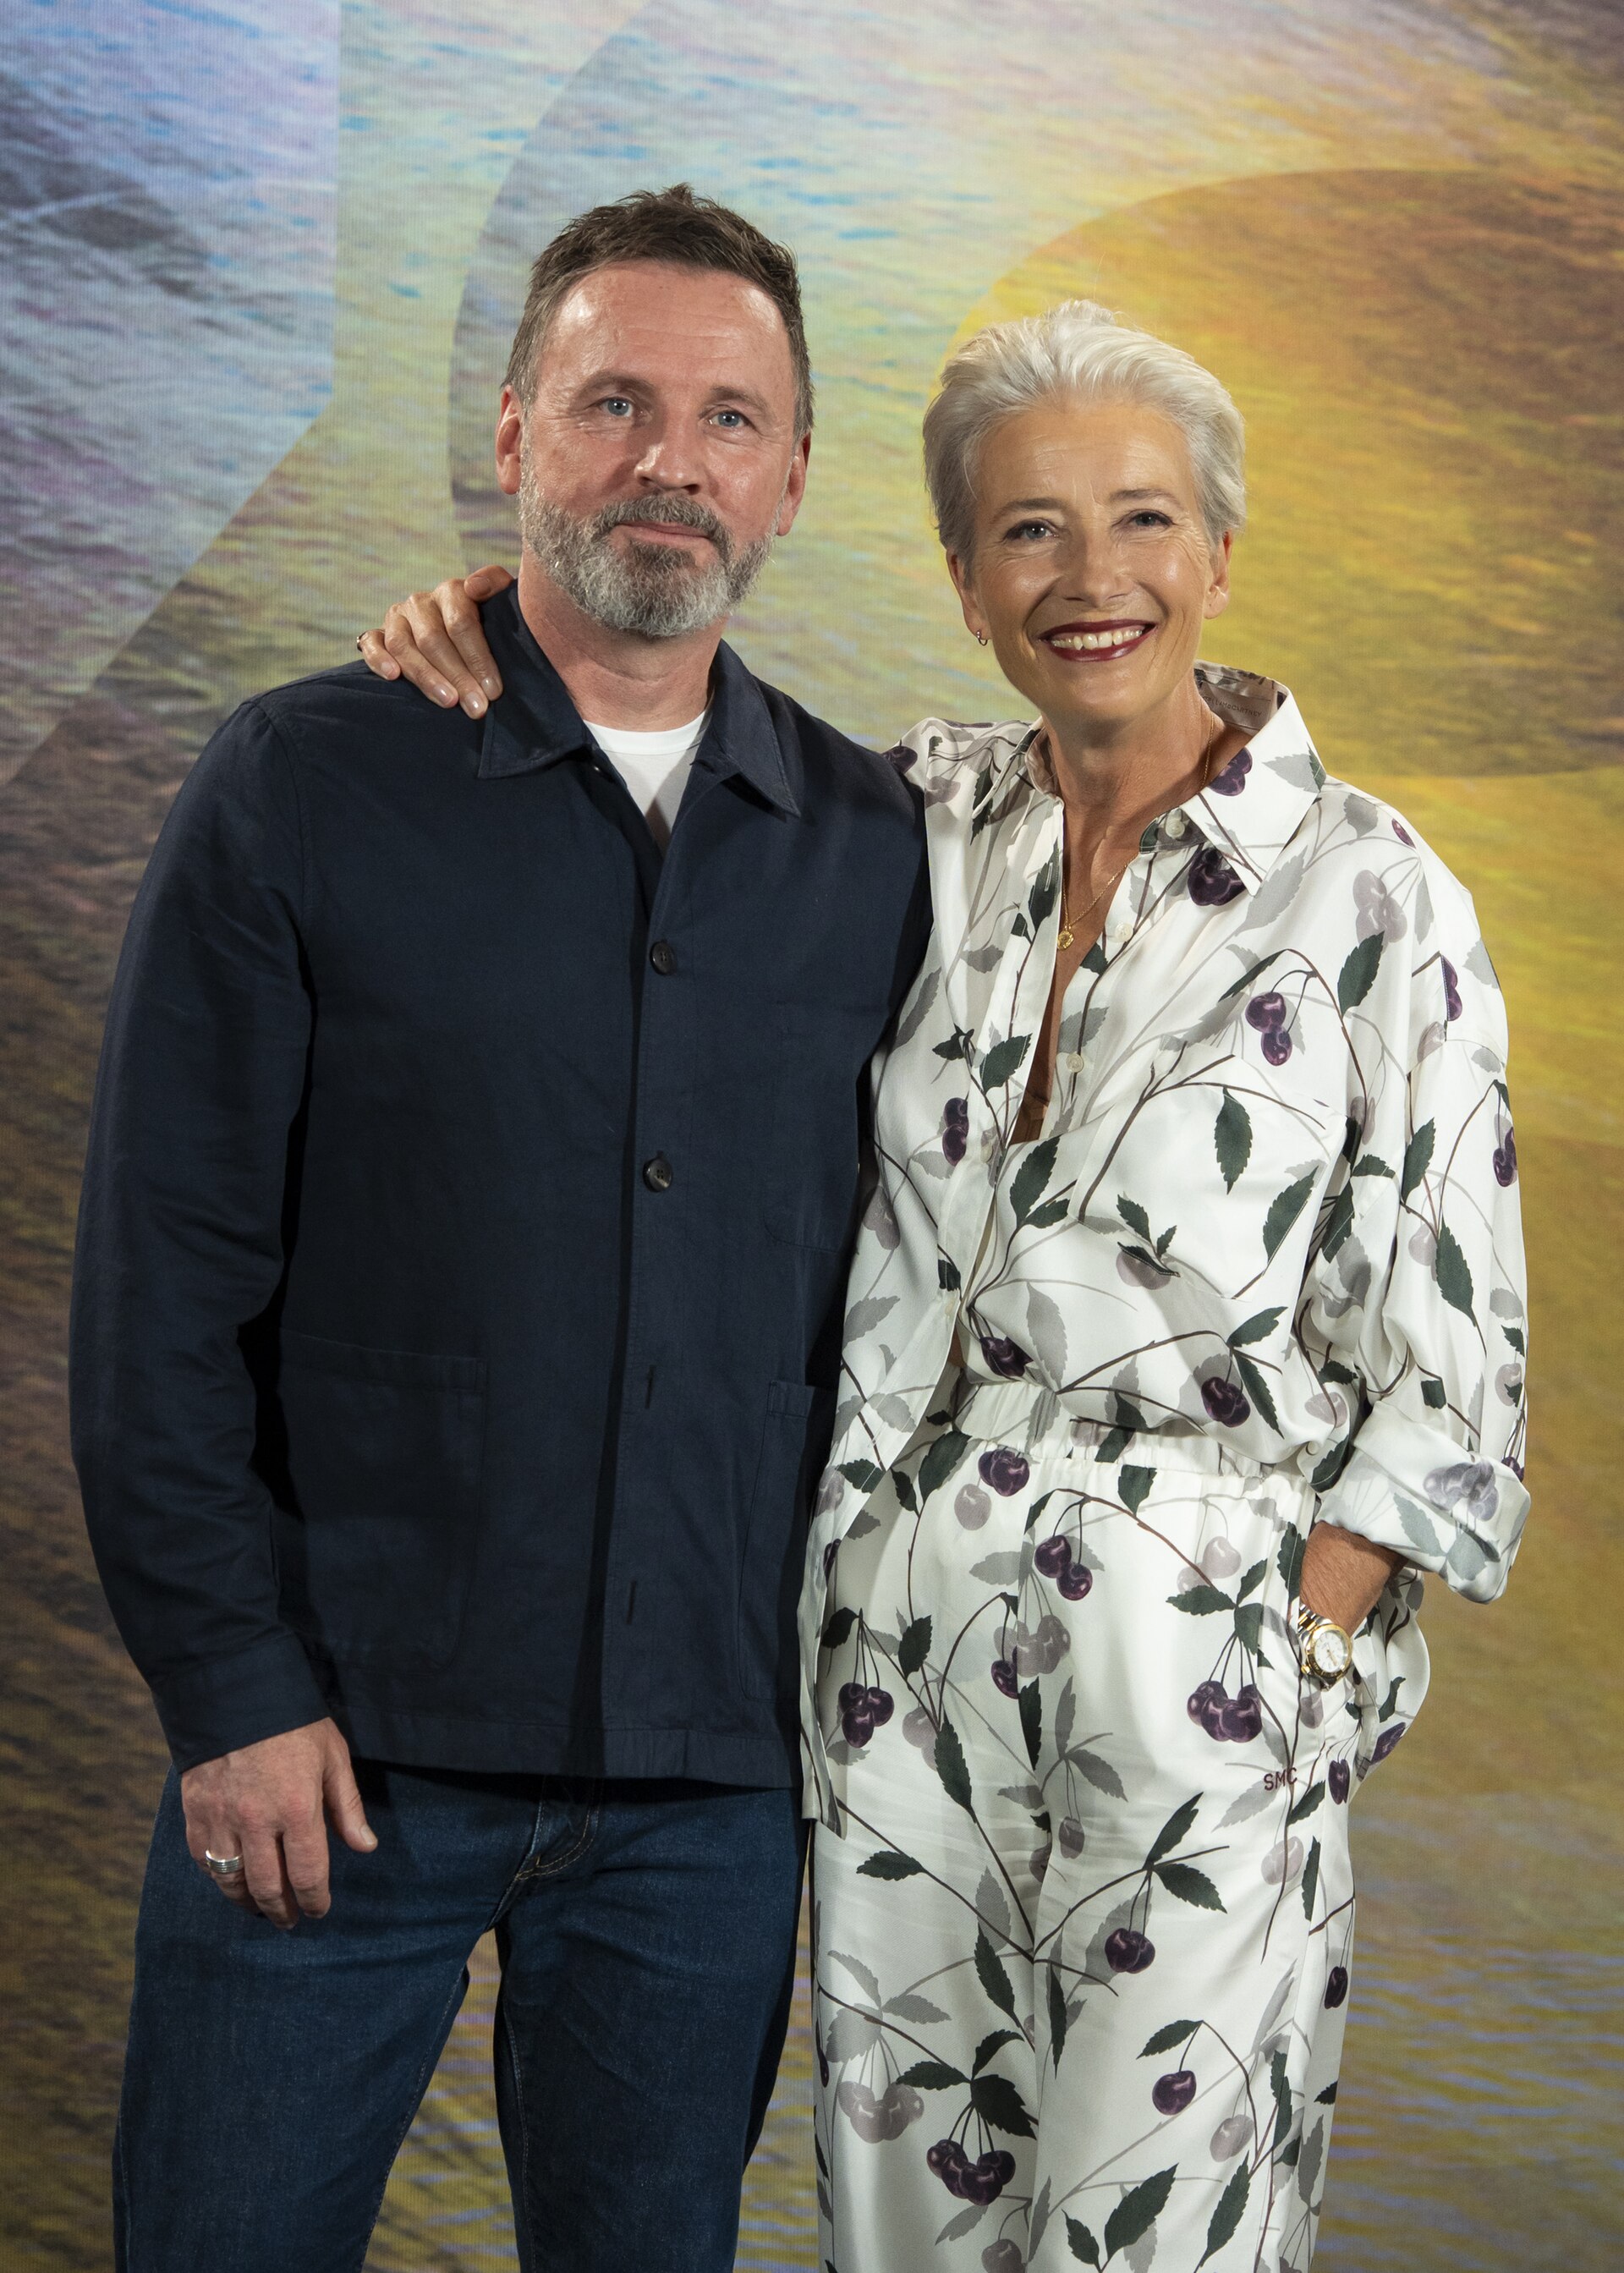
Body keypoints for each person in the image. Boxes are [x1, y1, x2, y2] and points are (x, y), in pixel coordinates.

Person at [369, 301, 1528, 2270]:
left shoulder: (1375, 893)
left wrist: (1284, 1680)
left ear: (1222, 556)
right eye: (1029, 534)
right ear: (968, 584)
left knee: (1158, 2237)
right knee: (906, 2233)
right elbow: (663, 744)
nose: (1095, 582)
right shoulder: (899, 823)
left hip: (1198, 1685)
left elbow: (1454, 1381)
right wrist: (497, 615)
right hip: (891, 1673)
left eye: (1145, 522)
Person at [69, 184, 930, 2273]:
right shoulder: (301, 783)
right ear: (517, 436)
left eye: (731, 419)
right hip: (330, 1761)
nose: (672, 459)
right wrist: (228, 1689)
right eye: (615, 400)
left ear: (794, 476)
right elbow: (159, 1290)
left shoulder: (889, 852)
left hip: (711, 1792)